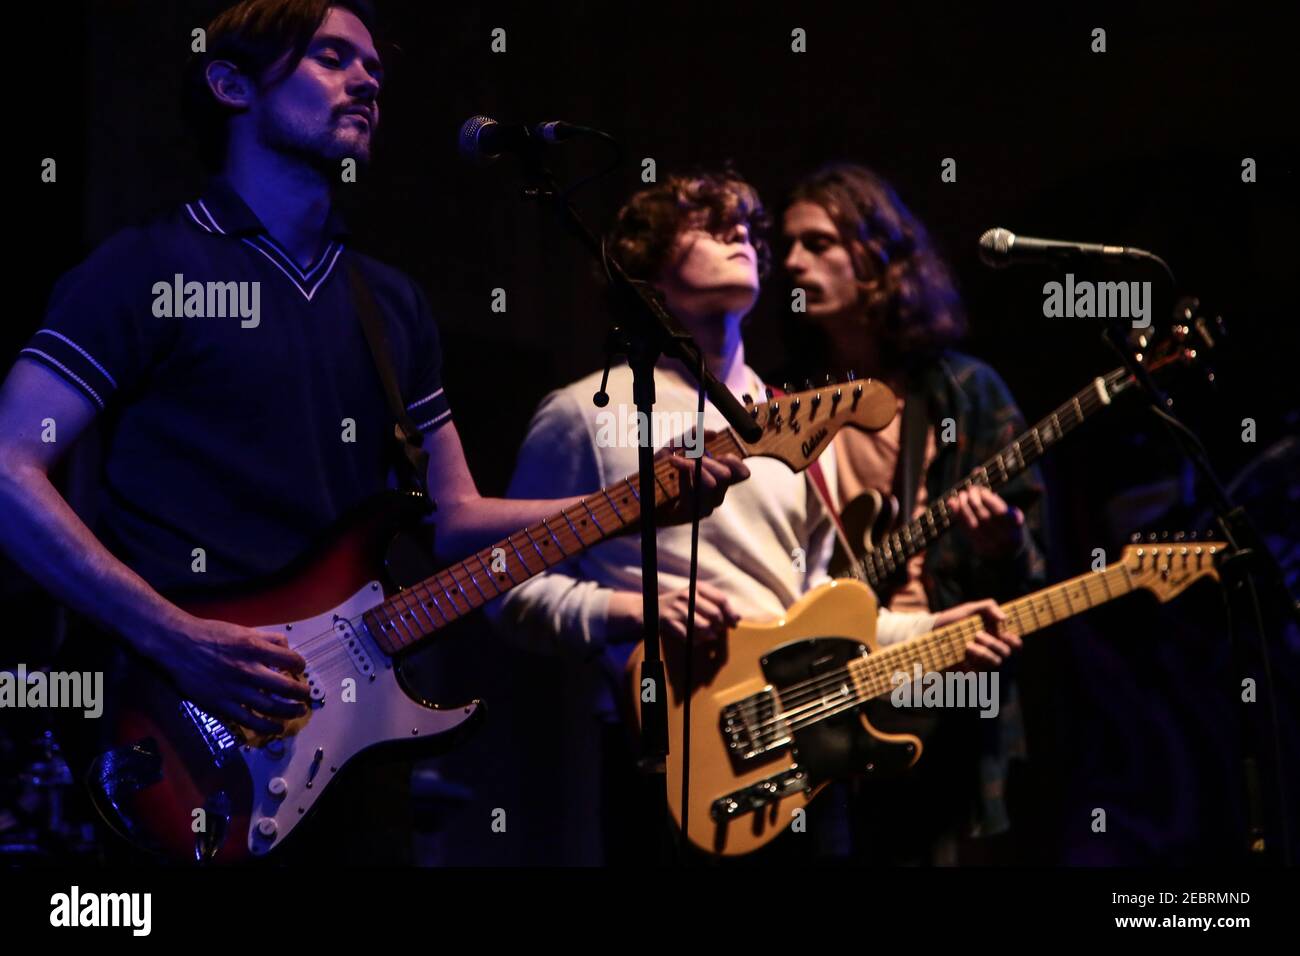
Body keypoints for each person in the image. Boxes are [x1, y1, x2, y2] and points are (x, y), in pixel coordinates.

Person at [0, 0, 744, 863]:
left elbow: (454, 517)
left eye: (374, 71)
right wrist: (175, 635)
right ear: (231, 82)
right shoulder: (146, 268)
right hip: (176, 722)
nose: (367, 81)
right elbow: (11, 467)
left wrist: (630, 502)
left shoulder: (387, 301)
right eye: (330, 58)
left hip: (349, 739)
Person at [486, 169, 1016, 864]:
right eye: (708, 225)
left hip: (799, 761)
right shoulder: (585, 413)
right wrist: (633, 607)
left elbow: (818, 615)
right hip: (666, 754)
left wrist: (926, 630)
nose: (740, 234)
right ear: (649, 266)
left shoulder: (799, 428)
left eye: (745, 226)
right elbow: (501, 585)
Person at [781, 162, 1048, 863]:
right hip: (820, 691)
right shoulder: (782, 406)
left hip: (942, 688)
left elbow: (1033, 567)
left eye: (817, 244)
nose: (791, 263)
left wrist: (1002, 544)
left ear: (873, 256)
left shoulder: (966, 391)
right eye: (787, 246)